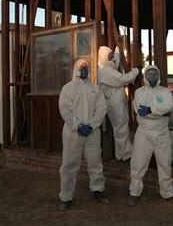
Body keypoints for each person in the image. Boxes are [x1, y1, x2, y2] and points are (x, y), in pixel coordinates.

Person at [58, 59, 109, 211]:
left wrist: (91, 125)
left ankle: (98, 190)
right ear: (76, 69)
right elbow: (65, 110)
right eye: (82, 67)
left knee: (95, 162)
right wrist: (78, 125)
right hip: (72, 133)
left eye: (86, 67)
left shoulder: (95, 89)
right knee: (69, 165)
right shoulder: (67, 88)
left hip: (92, 133)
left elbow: (101, 109)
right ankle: (66, 197)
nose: (85, 70)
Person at [128, 65, 173, 206]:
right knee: (138, 163)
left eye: (155, 74)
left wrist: (151, 110)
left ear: (159, 76)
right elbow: (141, 111)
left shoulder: (165, 92)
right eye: (149, 74)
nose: (152, 76)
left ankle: (168, 192)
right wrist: (160, 112)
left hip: (162, 133)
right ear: (145, 76)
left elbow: (169, 107)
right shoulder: (139, 92)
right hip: (144, 133)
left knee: (165, 163)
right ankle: (134, 192)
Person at [97, 46, 140, 161]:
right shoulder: (104, 71)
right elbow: (122, 79)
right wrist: (135, 71)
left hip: (114, 101)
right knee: (120, 128)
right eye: (109, 56)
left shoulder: (105, 66)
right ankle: (126, 154)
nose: (111, 59)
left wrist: (118, 47)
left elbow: (114, 62)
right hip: (114, 103)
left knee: (120, 127)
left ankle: (120, 153)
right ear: (104, 57)